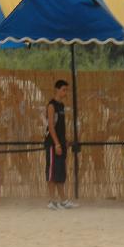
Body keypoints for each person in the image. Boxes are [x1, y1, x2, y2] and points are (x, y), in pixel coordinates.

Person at [44, 79, 77, 210]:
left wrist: (65, 140)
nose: (65, 92)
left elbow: (59, 127)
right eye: (64, 89)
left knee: (60, 173)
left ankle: (63, 200)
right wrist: (57, 144)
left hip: (60, 144)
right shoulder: (51, 106)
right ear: (56, 90)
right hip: (53, 144)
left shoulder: (61, 106)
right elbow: (51, 126)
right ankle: (52, 201)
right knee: (52, 172)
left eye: (66, 90)